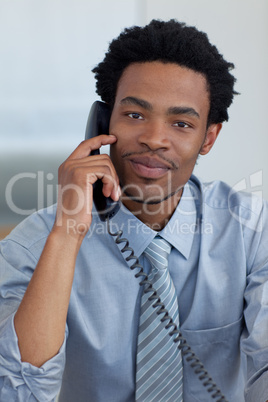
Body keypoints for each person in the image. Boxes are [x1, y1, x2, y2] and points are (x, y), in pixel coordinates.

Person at [0, 19, 267, 402]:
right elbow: (15, 393)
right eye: (135, 115)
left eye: (181, 123)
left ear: (208, 137)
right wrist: (68, 233)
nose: (155, 139)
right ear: (103, 122)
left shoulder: (251, 229)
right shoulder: (35, 243)